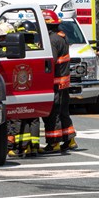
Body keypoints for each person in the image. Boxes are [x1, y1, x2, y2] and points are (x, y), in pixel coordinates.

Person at [41, 10, 75, 152]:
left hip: (55, 83)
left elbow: (51, 61)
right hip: (64, 83)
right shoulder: (62, 37)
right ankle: (70, 140)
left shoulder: (52, 40)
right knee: (63, 112)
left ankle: (54, 143)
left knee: (52, 114)